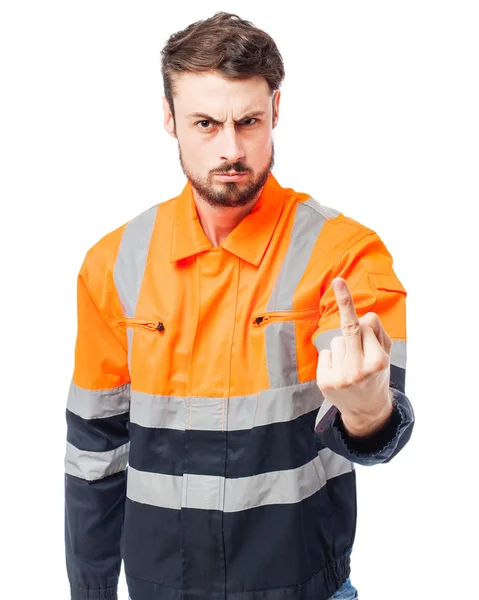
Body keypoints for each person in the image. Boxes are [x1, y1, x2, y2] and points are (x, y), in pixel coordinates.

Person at [64, 11, 415, 600]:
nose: (231, 148)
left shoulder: (343, 253)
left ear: (276, 110)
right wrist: (90, 592)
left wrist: (366, 410)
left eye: (248, 121)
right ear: (169, 119)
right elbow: (94, 451)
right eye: (206, 123)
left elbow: (378, 419)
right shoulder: (114, 262)